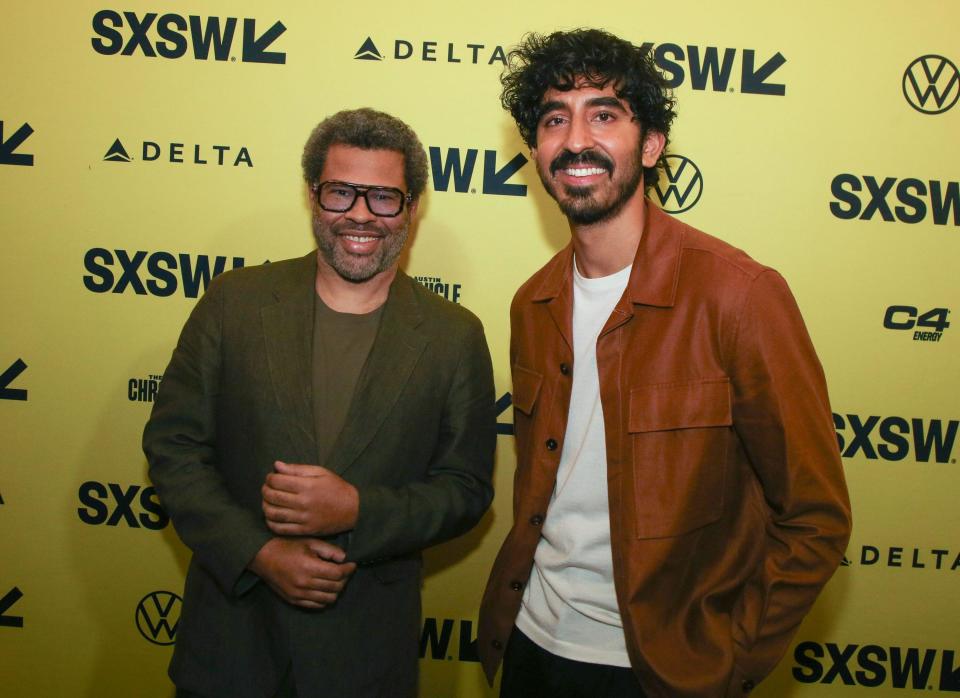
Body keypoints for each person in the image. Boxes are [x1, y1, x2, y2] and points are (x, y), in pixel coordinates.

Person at [478, 29, 851, 698]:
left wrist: (729, 662)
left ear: (650, 145)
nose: (575, 139)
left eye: (604, 114)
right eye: (554, 118)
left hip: (663, 672)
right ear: (535, 150)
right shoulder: (531, 303)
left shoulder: (739, 296)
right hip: (531, 645)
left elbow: (815, 518)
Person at [143, 108, 496, 698]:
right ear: (313, 196)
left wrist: (358, 509)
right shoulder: (235, 302)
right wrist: (257, 552)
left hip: (363, 659)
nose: (360, 214)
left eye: (383, 197)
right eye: (341, 192)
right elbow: (173, 448)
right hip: (232, 647)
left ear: (412, 208)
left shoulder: (453, 336)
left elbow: (465, 490)